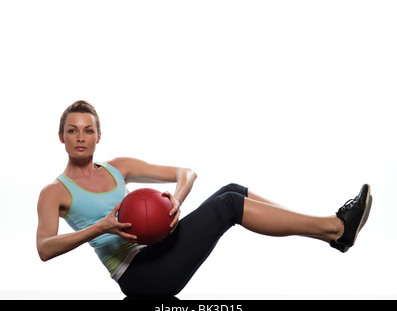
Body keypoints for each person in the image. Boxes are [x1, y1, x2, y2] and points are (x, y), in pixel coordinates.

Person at [36, 100, 373, 298]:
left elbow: (187, 173)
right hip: (139, 276)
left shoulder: (118, 168)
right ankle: (335, 227)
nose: (81, 137)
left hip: (158, 247)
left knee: (233, 189)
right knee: (228, 206)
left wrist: (177, 199)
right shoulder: (55, 192)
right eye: (73, 130)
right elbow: (44, 249)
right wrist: (100, 228)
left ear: (99, 135)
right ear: (61, 136)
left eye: (88, 130)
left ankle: (331, 233)